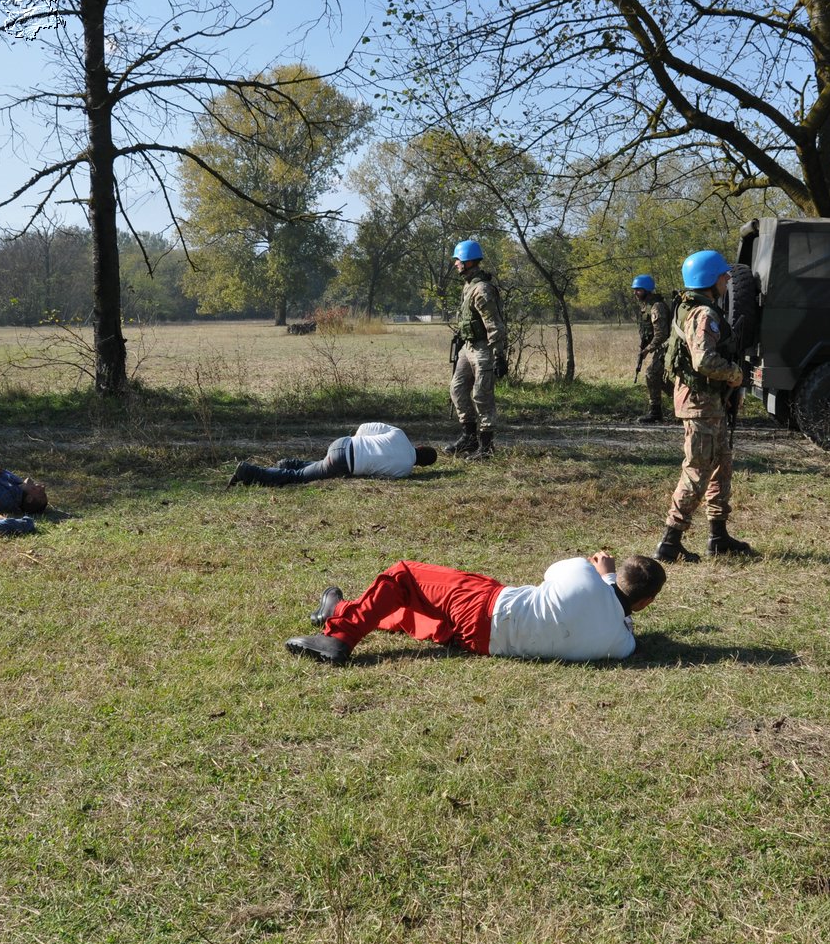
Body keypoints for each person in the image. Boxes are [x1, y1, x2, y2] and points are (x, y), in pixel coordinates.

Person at [283, 551, 666, 664]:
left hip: (488, 606)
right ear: (645, 603)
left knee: (403, 577)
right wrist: (613, 586)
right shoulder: (623, 645)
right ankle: (340, 610)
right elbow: (621, 617)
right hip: (484, 642)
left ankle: (339, 635)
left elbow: (550, 571)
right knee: (416, 614)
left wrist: (604, 575)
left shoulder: (585, 574)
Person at [654, 250, 752, 561]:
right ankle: (670, 541)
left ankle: (718, 536)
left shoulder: (696, 308)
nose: (727, 279)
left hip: (709, 402)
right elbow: (704, 360)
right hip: (700, 403)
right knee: (697, 471)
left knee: (721, 466)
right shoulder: (703, 314)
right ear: (710, 280)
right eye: (723, 275)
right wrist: (735, 375)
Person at [445, 239, 509, 459]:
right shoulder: (469, 285)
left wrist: (499, 355)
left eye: (458, 260)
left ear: (469, 261)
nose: (456, 264)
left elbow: (494, 324)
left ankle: (486, 447)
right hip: (469, 346)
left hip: (484, 349)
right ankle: (469, 438)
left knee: (482, 395)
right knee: (457, 388)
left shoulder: (482, 289)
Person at [229, 423, 440, 487]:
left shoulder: (400, 435)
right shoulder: (405, 471)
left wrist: (358, 443)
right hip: (345, 463)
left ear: (419, 447)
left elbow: (366, 427)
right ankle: (249, 472)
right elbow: (374, 473)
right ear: (420, 466)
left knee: (318, 466)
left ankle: (286, 463)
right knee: (298, 478)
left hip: (342, 443)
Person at [632, 274, 675, 423]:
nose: (635, 293)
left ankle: (656, 412)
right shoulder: (647, 307)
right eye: (635, 289)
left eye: (638, 289)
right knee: (661, 379)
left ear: (647, 290)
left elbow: (662, 335)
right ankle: (682, 403)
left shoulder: (657, 307)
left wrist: (647, 349)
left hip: (667, 347)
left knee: (652, 374)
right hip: (661, 347)